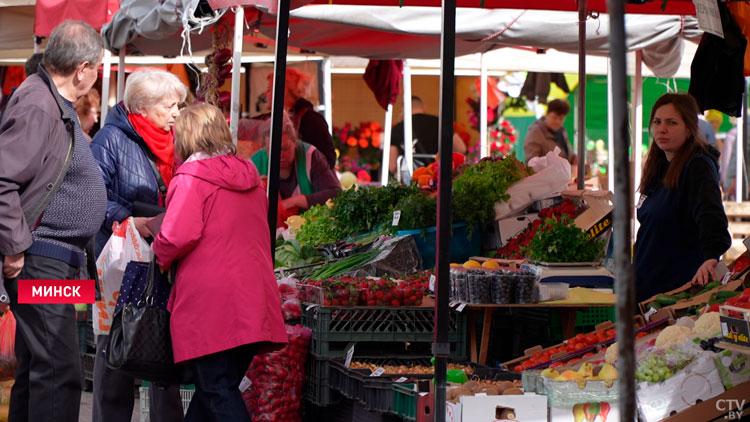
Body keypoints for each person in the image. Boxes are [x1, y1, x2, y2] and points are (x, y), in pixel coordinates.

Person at [152, 104, 287, 422]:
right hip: (252, 299)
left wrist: (158, 253)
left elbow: (175, 237)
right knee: (213, 389)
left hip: (211, 305)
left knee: (215, 389)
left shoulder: (191, 178)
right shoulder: (251, 178)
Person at [0, 21, 106, 422]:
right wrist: (13, 247)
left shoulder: (49, 100)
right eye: (96, 66)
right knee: (60, 369)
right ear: (82, 69)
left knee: (39, 364)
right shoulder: (37, 104)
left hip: (56, 258)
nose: (96, 74)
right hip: (40, 257)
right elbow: (3, 178)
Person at [90, 69, 187, 422]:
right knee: (116, 349)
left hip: (164, 258)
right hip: (122, 260)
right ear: (143, 108)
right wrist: (132, 221)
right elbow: (93, 199)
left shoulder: (177, 141)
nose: (176, 113)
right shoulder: (109, 140)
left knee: (163, 350)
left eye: (178, 105)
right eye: (169, 106)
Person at [634, 93, 731, 303]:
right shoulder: (658, 165)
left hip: (678, 291)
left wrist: (711, 256)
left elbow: (710, 213)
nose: (662, 129)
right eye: (657, 122)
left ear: (689, 128)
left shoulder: (698, 166)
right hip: (648, 286)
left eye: (672, 122)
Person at [251, 115, 341, 215]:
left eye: (285, 149)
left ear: (294, 142)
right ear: (265, 148)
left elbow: (335, 194)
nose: (280, 156)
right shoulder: (254, 164)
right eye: (273, 150)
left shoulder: (311, 156)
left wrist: (294, 202)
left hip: (309, 223)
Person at [264, 68, 337, 168]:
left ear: (282, 90)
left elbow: (328, 159)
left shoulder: (311, 120)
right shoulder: (270, 118)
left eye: (269, 89)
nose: (265, 94)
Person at [388, 96, 467, 173]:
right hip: (437, 176)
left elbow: (392, 166)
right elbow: (461, 148)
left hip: (411, 180)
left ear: (403, 111)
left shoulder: (397, 129)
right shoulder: (439, 122)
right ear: (424, 108)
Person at [523, 98, 576, 165]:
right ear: (547, 114)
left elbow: (566, 154)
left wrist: (574, 158)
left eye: (561, 119)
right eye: (554, 117)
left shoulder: (562, 131)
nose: (557, 121)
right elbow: (532, 162)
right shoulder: (535, 132)